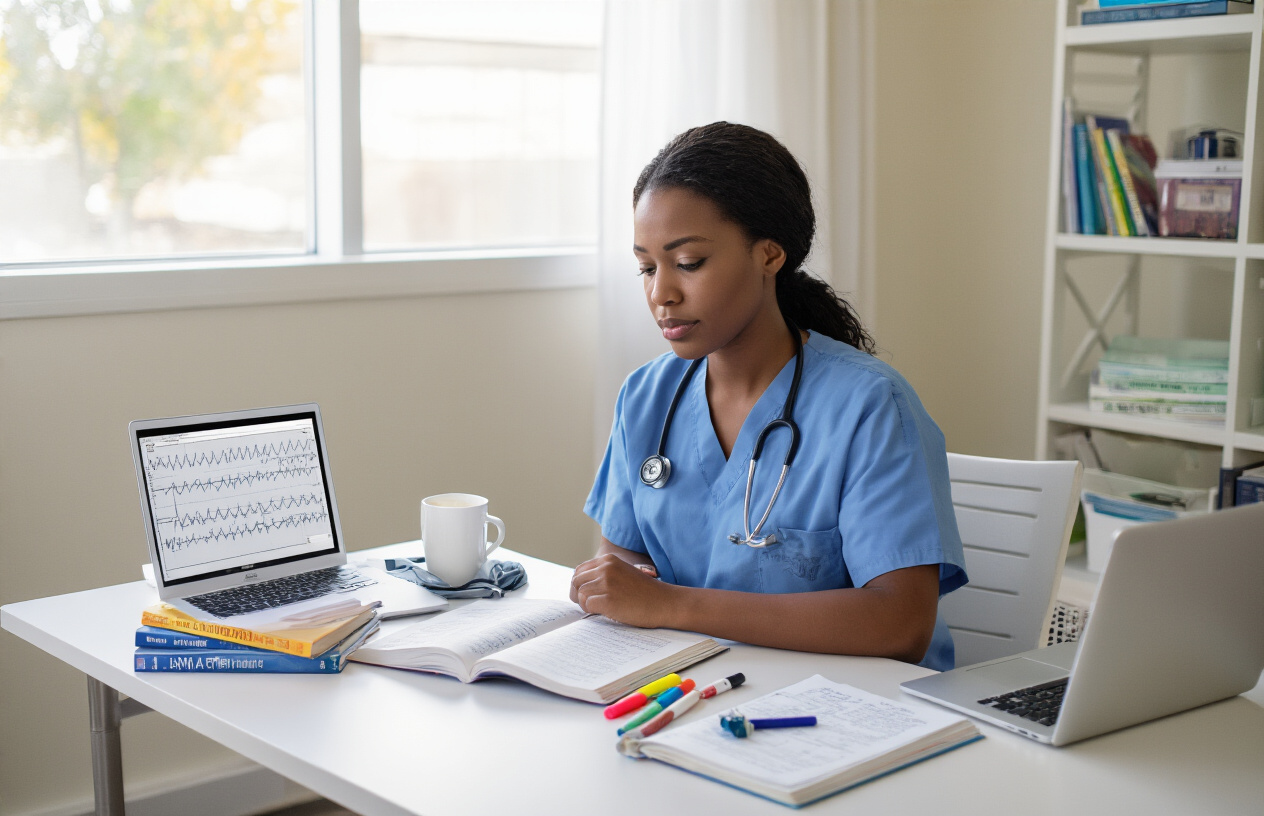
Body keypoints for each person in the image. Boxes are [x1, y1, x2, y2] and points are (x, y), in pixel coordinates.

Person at [571, 122, 967, 670]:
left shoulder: (871, 407)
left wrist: (673, 605)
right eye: (646, 266)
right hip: (700, 694)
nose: (661, 293)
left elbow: (900, 623)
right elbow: (622, 580)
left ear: (770, 255)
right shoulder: (646, 396)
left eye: (688, 263)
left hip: (853, 709)